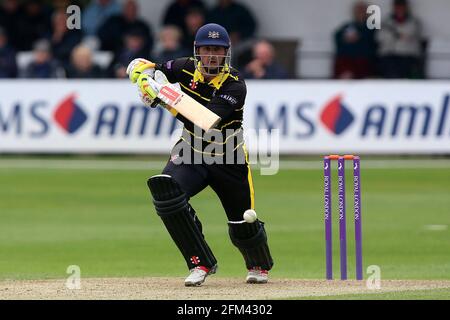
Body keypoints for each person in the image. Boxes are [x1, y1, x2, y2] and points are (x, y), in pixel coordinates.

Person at [126, 23, 274, 286]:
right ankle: (200, 262)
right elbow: (150, 67)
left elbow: (205, 120)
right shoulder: (184, 66)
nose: (212, 55)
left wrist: (162, 97)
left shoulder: (235, 84)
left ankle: (258, 264)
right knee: (167, 194)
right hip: (189, 151)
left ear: (226, 53)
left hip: (228, 157)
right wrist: (141, 75)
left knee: (242, 223)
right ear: (197, 51)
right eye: (206, 49)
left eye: (218, 50)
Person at [376, 0, 423, 78]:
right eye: (397, 7)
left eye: (402, 7)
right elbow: (380, 37)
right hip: (389, 55)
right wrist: (398, 35)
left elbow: (410, 35)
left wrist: (395, 35)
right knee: (388, 68)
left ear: (406, 8)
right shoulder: (386, 21)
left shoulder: (414, 22)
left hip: (408, 56)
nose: (399, 9)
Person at [333, 1, 377, 79]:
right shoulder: (347, 26)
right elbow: (337, 37)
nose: (360, 12)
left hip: (365, 60)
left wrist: (360, 38)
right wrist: (346, 39)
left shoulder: (372, 28)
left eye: (362, 10)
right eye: (358, 10)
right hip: (348, 61)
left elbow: (373, 44)